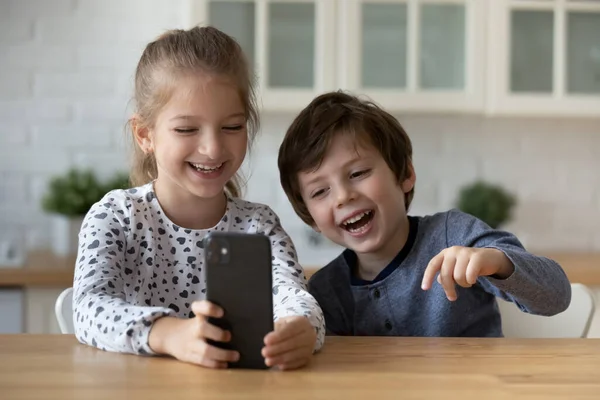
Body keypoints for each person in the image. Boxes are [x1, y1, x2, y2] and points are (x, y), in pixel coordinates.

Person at [73, 26, 324, 370]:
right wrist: (169, 334)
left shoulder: (258, 225)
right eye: (187, 129)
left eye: (232, 127)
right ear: (145, 135)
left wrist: (302, 330)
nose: (213, 148)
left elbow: (295, 298)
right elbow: (88, 308)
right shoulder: (115, 216)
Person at [277, 91, 571, 336]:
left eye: (358, 173)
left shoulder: (455, 235)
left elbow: (556, 295)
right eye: (319, 191)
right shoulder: (325, 291)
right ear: (310, 216)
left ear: (404, 173)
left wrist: (495, 262)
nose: (343, 196)